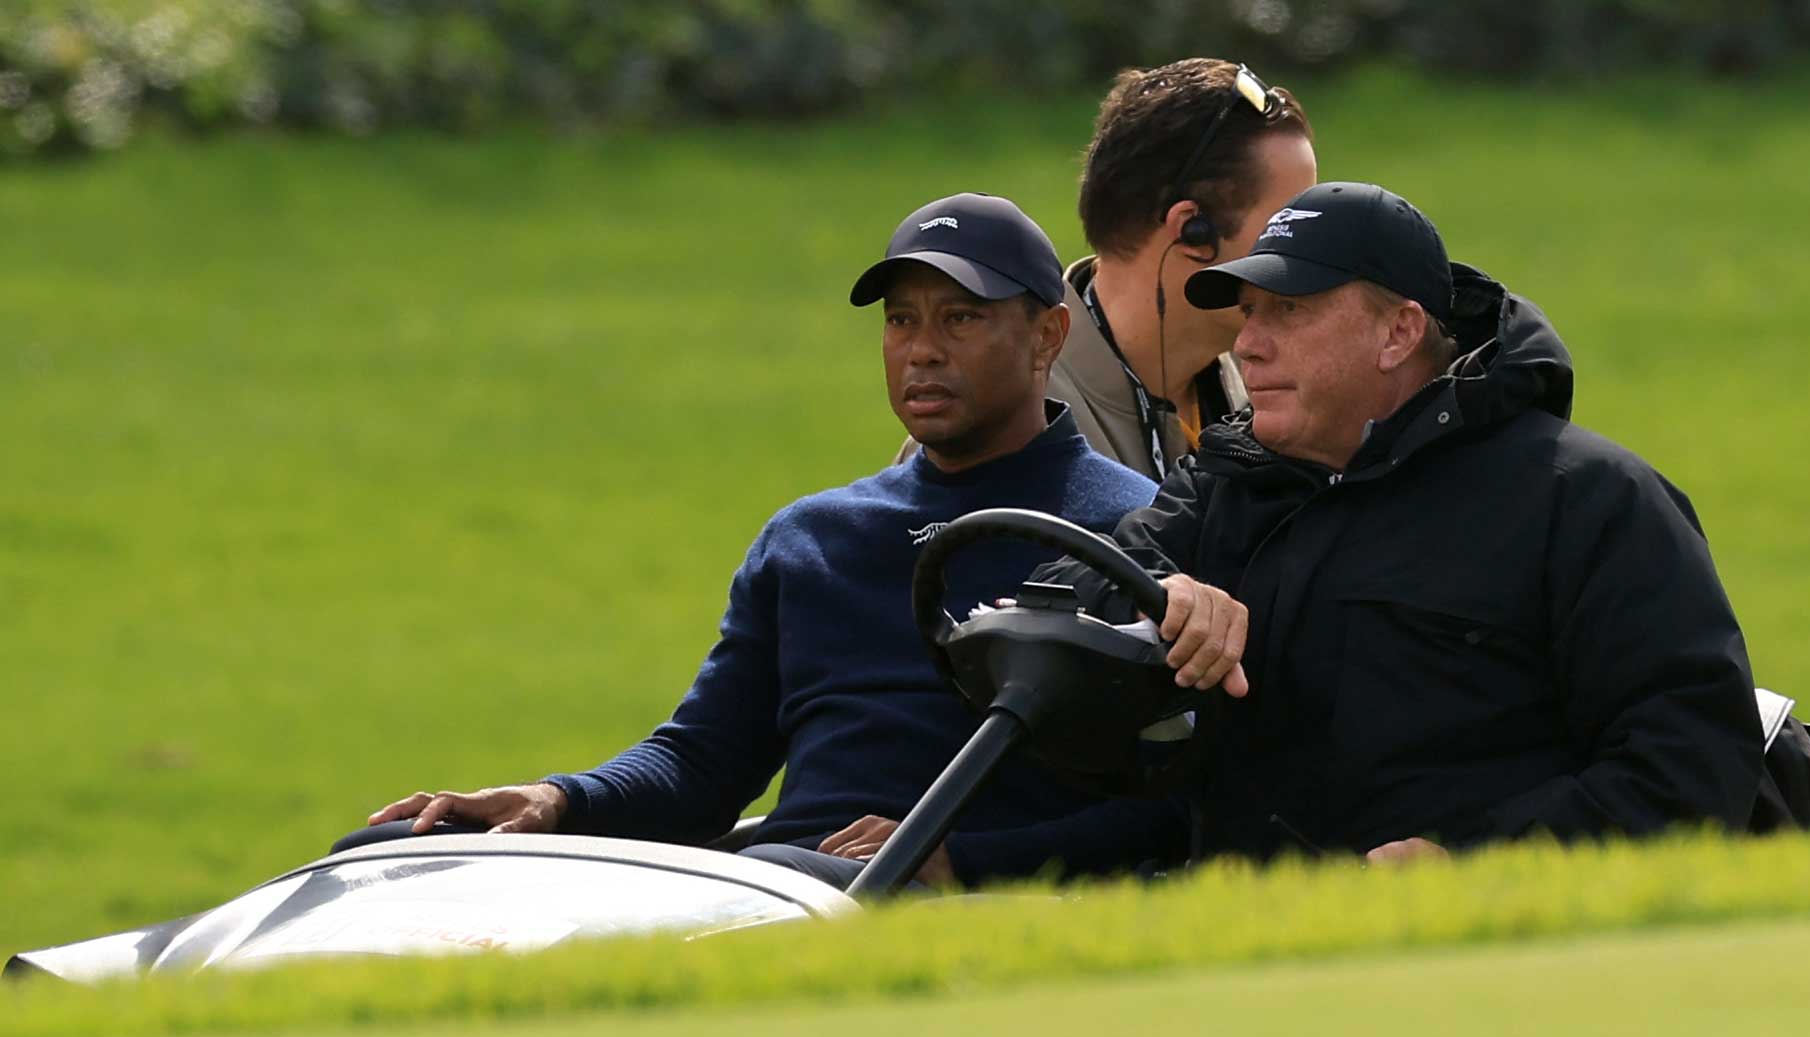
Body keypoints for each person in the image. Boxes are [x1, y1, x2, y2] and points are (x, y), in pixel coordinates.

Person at [356, 192, 1189, 889]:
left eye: (961, 319)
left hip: (939, 900)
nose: (922, 351)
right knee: (388, 860)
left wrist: (957, 861)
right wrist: (555, 800)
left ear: (1047, 335)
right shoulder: (812, 537)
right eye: (901, 322)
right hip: (779, 882)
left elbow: (1173, 806)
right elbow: (702, 763)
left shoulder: (1137, 530)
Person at [1035, 181, 1765, 864]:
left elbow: (1692, 762)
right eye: (1248, 312)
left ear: (1399, 333)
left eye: (1289, 310)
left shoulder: (1589, 501)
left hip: (1492, 962)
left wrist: (1475, 864)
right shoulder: (1223, 486)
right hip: (1249, 961)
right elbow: (1050, 608)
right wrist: (1154, 597)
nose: (1247, 344)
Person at [892, 58, 1318, 480]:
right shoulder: (1000, 421)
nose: (1311, 257)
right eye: (1285, 225)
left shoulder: (1264, 380)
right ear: (1191, 231)